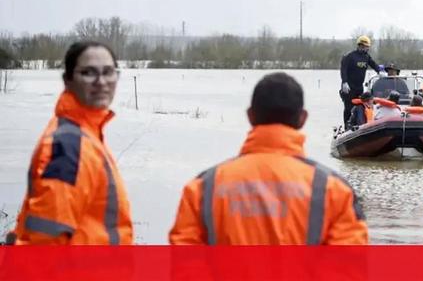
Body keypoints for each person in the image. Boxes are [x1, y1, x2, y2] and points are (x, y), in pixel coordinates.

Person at [169, 72, 368, 245]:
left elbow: (184, 266)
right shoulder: (334, 191)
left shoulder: (203, 189)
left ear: (250, 116)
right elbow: (350, 268)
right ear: (302, 118)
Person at [12, 41, 133, 245]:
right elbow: (46, 244)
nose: (101, 81)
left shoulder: (86, 135)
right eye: (88, 72)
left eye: (108, 72)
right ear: (67, 80)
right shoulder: (69, 146)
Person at [340, 36, 379, 125]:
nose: (367, 48)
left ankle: (358, 125)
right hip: (349, 87)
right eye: (366, 47)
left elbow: (373, 64)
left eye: (368, 47)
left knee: (360, 107)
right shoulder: (349, 56)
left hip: (359, 87)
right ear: (360, 45)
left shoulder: (366, 57)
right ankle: (347, 126)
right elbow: (343, 69)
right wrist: (344, 82)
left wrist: (380, 71)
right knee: (348, 108)